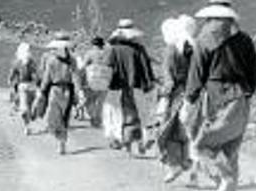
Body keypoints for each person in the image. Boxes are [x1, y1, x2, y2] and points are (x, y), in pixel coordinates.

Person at [183, 0, 256, 191]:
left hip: (216, 97)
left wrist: (189, 100)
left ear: (210, 16)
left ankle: (224, 177)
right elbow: (254, 70)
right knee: (231, 146)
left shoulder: (204, 39)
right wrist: (248, 91)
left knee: (201, 146)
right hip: (241, 95)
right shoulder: (244, 39)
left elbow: (196, 74)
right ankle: (228, 183)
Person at [156, 14, 200, 184]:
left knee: (169, 132)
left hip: (178, 96)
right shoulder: (196, 48)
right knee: (194, 134)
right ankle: (193, 172)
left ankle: (175, 166)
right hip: (197, 95)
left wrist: (163, 97)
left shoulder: (171, 50)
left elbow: (169, 79)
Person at [104, 18, 156, 155]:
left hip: (117, 88)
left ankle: (124, 144)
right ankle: (141, 142)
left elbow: (107, 69)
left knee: (118, 116)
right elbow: (146, 69)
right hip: (137, 86)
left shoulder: (113, 50)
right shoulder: (139, 49)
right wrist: (149, 84)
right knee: (140, 114)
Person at [37, 32, 77, 155]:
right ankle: (62, 143)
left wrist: (42, 91)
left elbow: (46, 78)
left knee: (54, 116)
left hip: (55, 90)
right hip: (68, 90)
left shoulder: (51, 60)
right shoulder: (72, 60)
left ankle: (60, 140)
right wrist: (78, 92)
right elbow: (76, 76)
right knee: (65, 117)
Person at [8, 42, 40, 135]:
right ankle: (28, 122)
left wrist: (10, 81)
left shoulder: (20, 62)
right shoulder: (29, 61)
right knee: (27, 106)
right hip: (28, 86)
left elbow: (11, 74)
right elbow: (36, 74)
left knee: (27, 106)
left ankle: (27, 123)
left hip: (25, 86)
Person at [81, 36, 110, 127]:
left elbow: (83, 66)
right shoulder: (107, 54)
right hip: (105, 81)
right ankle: (98, 119)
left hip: (92, 80)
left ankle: (93, 117)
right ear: (102, 45)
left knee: (90, 100)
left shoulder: (90, 53)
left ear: (93, 44)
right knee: (100, 101)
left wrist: (80, 78)